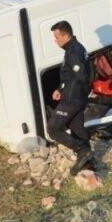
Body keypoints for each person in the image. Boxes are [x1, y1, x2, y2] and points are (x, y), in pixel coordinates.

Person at [45, 21, 95, 174]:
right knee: (78, 130)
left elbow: (81, 76)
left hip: (72, 99)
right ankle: (88, 166)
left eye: (56, 37)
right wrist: (60, 89)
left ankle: (81, 150)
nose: (55, 41)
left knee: (53, 128)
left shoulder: (73, 50)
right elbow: (71, 76)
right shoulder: (75, 48)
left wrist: (66, 92)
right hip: (77, 97)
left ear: (65, 35)